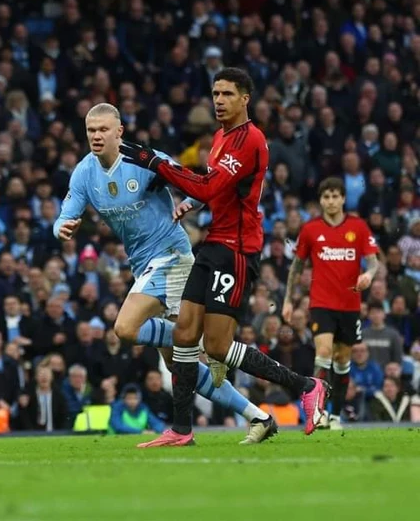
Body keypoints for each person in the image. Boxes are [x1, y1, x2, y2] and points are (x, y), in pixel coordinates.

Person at [118, 68, 327, 447]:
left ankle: (308, 386)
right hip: (214, 244)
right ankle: (181, 429)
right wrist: (192, 201)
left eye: (227, 94)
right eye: (215, 93)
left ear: (245, 99)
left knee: (216, 346)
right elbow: (215, 189)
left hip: (238, 251)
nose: (218, 100)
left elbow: (214, 183)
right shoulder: (219, 138)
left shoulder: (251, 140)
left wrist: (158, 164)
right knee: (183, 332)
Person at [55, 103, 276, 444]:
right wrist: (62, 227)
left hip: (171, 255)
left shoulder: (145, 159)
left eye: (103, 130)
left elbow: (204, 186)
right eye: (91, 130)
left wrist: (191, 203)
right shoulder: (85, 173)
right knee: (179, 366)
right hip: (142, 264)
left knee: (125, 327)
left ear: (119, 132)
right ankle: (257, 416)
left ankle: (203, 344)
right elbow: (64, 212)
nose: (96, 136)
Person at [282, 177, 380, 429]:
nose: (331, 201)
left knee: (342, 359)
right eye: (326, 197)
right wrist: (288, 300)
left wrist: (368, 275)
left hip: (349, 304)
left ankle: (335, 415)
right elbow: (296, 267)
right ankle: (318, 412)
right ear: (321, 201)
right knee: (323, 352)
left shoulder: (358, 227)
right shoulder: (311, 229)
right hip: (321, 302)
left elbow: (373, 260)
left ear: (343, 199)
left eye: (335, 196)